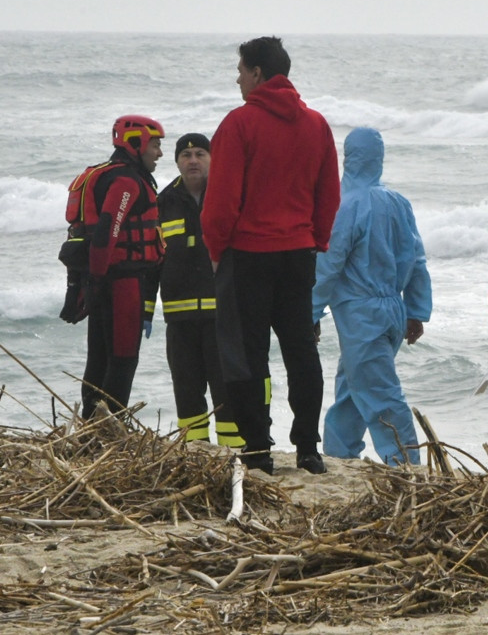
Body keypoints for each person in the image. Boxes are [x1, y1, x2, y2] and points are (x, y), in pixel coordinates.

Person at [201, 36, 340, 475]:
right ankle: (308, 449)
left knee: (246, 354)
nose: (238, 78)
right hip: (298, 252)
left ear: (258, 74)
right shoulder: (316, 124)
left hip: (248, 254)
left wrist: (215, 249)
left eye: (240, 70)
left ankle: (258, 448)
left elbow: (221, 201)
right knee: (300, 349)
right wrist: (315, 240)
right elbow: (329, 195)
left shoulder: (239, 124)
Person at [312, 128, 431, 466]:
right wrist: (417, 310)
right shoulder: (398, 202)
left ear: (347, 157)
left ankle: (406, 465)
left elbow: (329, 265)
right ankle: (339, 455)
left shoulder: (345, 205)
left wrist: (310, 311)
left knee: (380, 394)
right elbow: (418, 260)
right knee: (353, 388)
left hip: (361, 313)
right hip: (393, 308)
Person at [69, 116, 165, 419]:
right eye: (156, 145)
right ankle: (107, 430)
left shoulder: (106, 174)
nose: (160, 153)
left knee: (98, 359)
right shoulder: (125, 181)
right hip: (121, 282)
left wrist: (88, 284)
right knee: (123, 360)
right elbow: (107, 231)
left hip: (99, 281)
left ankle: (89, 427)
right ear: (136, 142)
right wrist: (97, 281)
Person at [154, 133, 242, 447]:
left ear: (212, 159)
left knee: (228, 390)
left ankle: (236, 455)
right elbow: (153, 261)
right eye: (186, 154)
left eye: (200, 153)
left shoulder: (228, 196)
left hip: (224, 317)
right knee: (187, 392)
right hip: (180, 320)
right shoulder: (162, 202)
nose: (193, 160)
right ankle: (195, 454)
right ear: (177, 161)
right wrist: (145, 310)